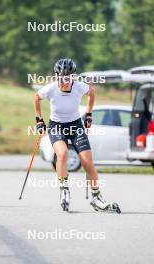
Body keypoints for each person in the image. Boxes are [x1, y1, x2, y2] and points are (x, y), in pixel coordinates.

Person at [34, 58, 110, 211]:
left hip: (76, 126)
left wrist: (88, 114)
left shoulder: (80, 87)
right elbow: (36, 97)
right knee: (62, 154)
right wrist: (39, 120)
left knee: (88, 163)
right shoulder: (50, 88)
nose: (64, 81)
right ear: (57, 77)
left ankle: (96, 197)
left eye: (68, 78)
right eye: (61, 78)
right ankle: (64, 190)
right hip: (57, 126)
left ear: (73, 77)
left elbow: (92, 93)